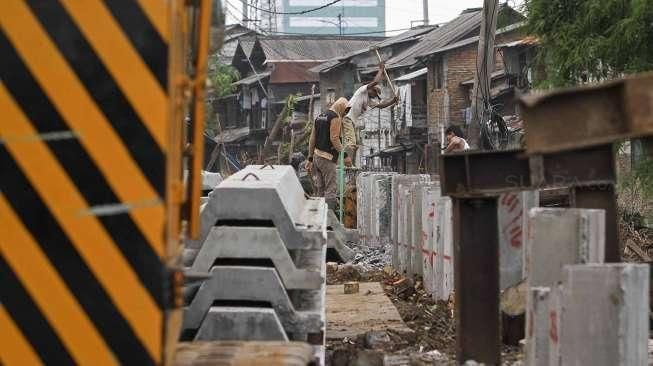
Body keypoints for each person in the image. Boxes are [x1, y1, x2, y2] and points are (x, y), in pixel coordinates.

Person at [343, 63, 398, 163]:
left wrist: (393, 101)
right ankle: (347, 163)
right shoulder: (362, 90)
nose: (374, 96)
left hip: (352, 122)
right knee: (351, 144)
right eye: (374, 94)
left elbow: (381, 106)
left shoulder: (369, 100)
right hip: (347, 118)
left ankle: (351, 163)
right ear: (371, 89)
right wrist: (381, 70)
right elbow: (376, 81)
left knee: (356, 145)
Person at [305, 97, 351, 210]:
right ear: (341, 107)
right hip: (327, 158)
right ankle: (329, 219)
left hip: (316, 158)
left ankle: (318, 217)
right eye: (345, 110)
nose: (345, 113)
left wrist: (310, 158)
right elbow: (334, 138)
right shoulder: (335, 117)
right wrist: (345, 156)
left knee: (320, 189)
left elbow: (312, 139)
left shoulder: (320, 116)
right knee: (331, 189)